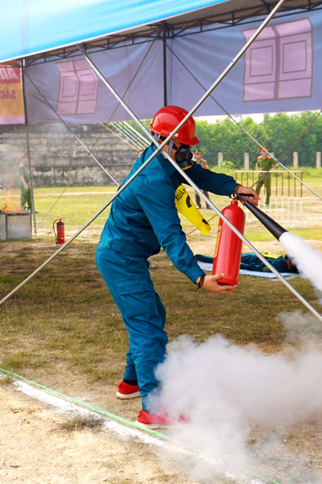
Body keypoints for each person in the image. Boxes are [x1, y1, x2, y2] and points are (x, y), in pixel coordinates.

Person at [96, 105, 258, 428]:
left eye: (188, 148)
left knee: (151, 316)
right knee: (147, 326)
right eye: (183, 147)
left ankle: (130, 383)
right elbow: (171, 237)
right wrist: (199, 277)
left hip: (127, 254)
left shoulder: (164, 159)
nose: (188, 154)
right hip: (120, 257)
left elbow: (200, 175)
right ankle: (154, 408)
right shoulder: (153, 179)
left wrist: (234, 188)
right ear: (164, 141)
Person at [195, 252, 298, 274]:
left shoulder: (278, 266)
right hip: (255, 255)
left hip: (250, 260)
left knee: (226, 258)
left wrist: (238, 266)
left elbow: (254, 268)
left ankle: (205, 259)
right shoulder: (285, 262)